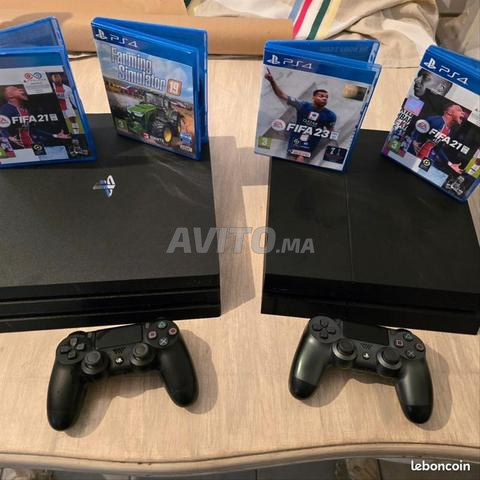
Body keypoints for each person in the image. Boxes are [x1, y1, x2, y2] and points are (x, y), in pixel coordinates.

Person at [264, 68, 336, 163]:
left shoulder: (330, 115)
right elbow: (282, 95)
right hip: (295, 141)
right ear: (313, 97)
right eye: (321, 96)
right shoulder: (302, 105)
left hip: (309, 145)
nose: (324, 98)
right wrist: (272, 81)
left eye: (326, 97)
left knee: (300, 159)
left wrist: (334, 145)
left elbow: (331, 132)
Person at [0, 85, 70, 149]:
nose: (21, 89)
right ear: (10, 95)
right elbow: (2, 129)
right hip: (20, 149)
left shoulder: (26, 109)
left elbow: (33, 129)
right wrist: (9, 137)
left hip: (34, 145)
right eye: (15, 89)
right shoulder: (4, 110)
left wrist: (55, 135)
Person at [410, 103, 466, 174]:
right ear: (449, 112)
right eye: (459, 110)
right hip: (413, 157)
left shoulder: (448, 130)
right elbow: (417, 129)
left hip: (426, 160)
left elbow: (437, 148)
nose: (463, 113)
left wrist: (450, 164)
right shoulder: (435, 120)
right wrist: (414, 140)